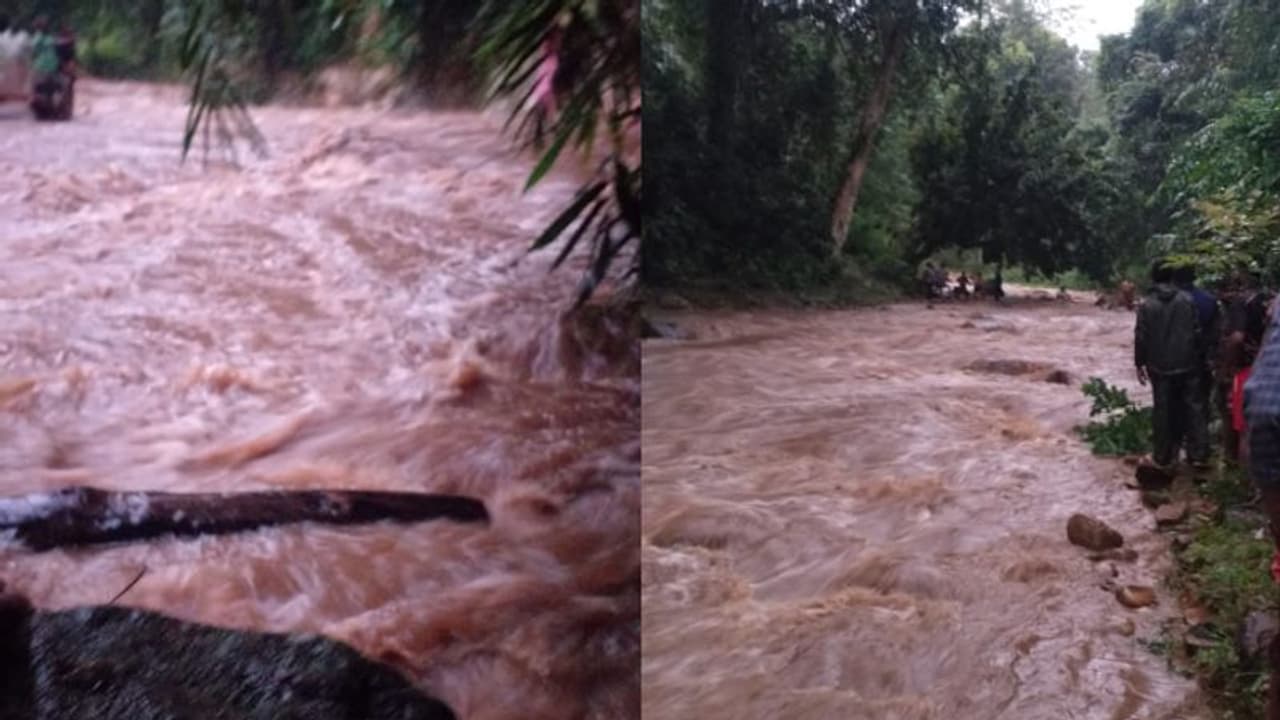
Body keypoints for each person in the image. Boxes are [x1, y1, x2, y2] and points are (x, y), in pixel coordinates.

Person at [1135, 259, 1208, 470]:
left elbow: (1141, 337)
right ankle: (1198, 455)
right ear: (1173, 277)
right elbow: (1197, 333)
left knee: (1162, 410)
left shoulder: (1146, 304)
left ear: (1153, 277)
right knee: (1194, 407)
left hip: (1158, 365)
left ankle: (1163, 456)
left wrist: (1139, 363)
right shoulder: (1187, 300)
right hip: (1188, 362)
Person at [1175, 264, 1219, 446]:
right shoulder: (1208, 300)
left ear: (1175, 279)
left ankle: (1175, 444)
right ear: (1194, 277)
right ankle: (1200, 447)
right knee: (1200, 402)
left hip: (1173, 360)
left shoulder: (1172, 301)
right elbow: (1215, 333)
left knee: (1174, 402)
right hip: (1200, 358)